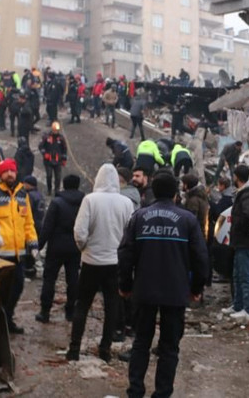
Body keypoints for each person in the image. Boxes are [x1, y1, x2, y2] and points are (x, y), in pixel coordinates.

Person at [118, 170, 209, 398]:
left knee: (141, 342)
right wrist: (196, 288)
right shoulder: (187, 220)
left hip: (144, 290)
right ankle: (162, 393)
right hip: (175, 292)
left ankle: (135, 390)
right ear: (176, 194)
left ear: (153, 191)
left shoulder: (139, 217)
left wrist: (125, 285)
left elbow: (126, 254)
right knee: (169, 347)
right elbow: (201, 257)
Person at [67, 164, 134, 362]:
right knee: (112, 306)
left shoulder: (90, 200)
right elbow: (129, 235)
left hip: (91, 261)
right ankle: (105, 349)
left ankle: (74, 349)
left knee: (82, 305)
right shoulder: (126, 203)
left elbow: (79, 232)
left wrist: (85, 248)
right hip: (115, 263)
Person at [0, 159, 39, 334]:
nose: (10, 174)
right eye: (6, 172)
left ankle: (6, 318)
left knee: (17, 287)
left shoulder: (22, 195)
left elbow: (28, 222)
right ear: (0, 175)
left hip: (18, 254)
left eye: (12, 171)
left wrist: (33, 243)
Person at [37, 173, 85, 323]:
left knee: (49, 279)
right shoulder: (85, 202)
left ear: (64, 185)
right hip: (75, 246)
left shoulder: (57, 202)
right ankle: (70, 311)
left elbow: (47, 226)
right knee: (73, 279)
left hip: (56, 246)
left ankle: (45, 312)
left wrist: (39, 245)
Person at [227, 165, 249, 324]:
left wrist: (246, 228)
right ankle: (237, 306)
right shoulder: (244, 193)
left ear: (237, 177)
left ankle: (248, 311)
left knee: (245, 276)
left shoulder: (247, 196)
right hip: (240, 241)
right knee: (237, 274)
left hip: (246, 242)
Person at [39, 121, 67, 196]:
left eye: (57, 130)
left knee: (58, 177)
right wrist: (44, 154)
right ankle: (49, 189)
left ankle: (57, 190)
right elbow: (41, 146)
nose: (55, 132)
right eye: (54, 130)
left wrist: (64, 159)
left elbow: (64, 149)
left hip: (58, 160)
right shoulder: (46, 137)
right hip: (48, 161)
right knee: (49, 175)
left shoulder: (61, 138)